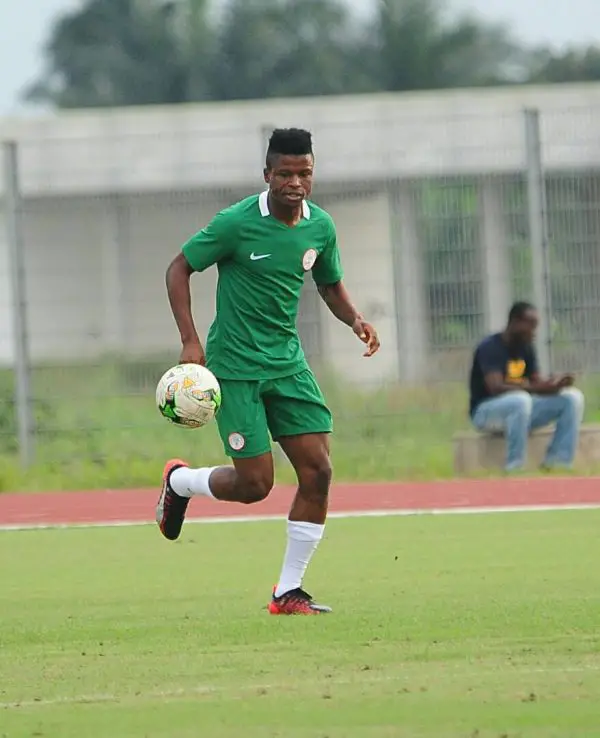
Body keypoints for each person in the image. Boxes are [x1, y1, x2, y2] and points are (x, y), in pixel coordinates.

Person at [156, 128, 380, 615]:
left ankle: (288, 591)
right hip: (236, 369)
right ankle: (181, 483)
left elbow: (330, 284)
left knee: (318, 471)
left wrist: (355, 320)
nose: (295, 183)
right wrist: (190, 340)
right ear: (267, 175)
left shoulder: (320, 226)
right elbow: (178, 269)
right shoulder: (236, 223)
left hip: (288, 365)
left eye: (304, 173)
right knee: (255, 486)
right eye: (285, 174)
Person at [468, 301, 584, 472]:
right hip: (486, 412)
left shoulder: (527, 348)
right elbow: (496, 387)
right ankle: (515, 466)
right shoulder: (490, 347)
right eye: (530, 326)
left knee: (572, 398)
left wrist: (553, 385)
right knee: (520, 399)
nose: (533, 332)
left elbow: (535, 381)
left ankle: (558, 462)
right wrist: (536, 388)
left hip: (521, 411)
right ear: (515, 322)